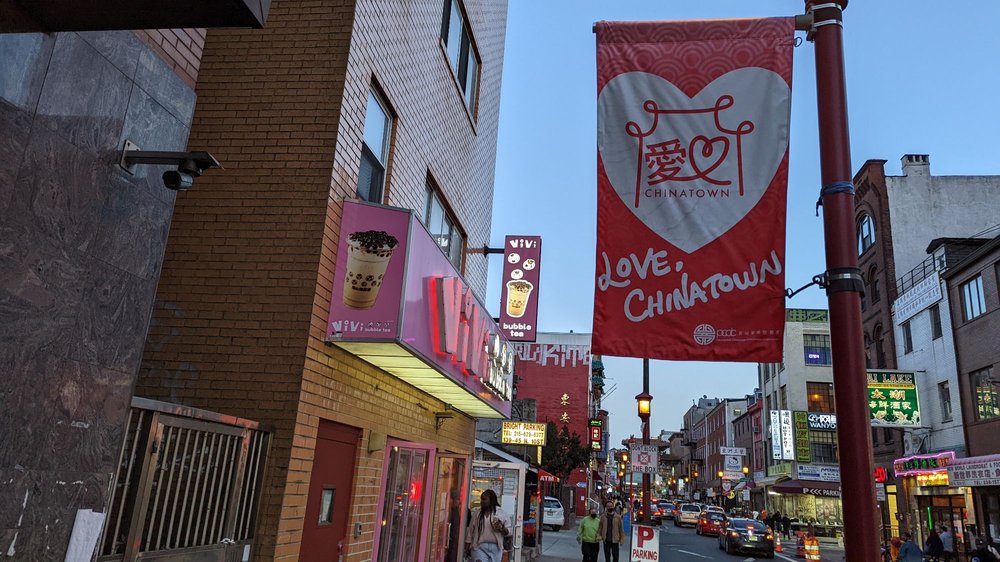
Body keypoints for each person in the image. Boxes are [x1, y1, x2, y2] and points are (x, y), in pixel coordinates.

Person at [466, 490, 510, 562]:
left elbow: (508, 532)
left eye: (484, 499)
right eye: (481, 499)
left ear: (491, 500)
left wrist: (501, 528)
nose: (481, 501)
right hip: (479, 547)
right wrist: (467, 547)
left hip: (496, 548)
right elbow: (470, 532)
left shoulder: (501, 513)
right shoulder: (477, 514)